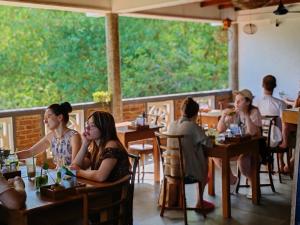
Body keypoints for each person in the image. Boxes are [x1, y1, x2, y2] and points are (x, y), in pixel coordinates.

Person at [164, 97, 214, 211]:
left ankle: (195, 201)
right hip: (187, 173)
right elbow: (209, 144)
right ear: (195, 114)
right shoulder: (192, 126)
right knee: (204, 165)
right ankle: (199, 202)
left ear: (182, 110)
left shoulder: (171, 124)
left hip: (171, 171)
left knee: (196, 154)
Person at [216, 89, 262, 198]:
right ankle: (233, 180)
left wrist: (245, 115)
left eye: (239, 101)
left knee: (243, 161)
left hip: (254, 148)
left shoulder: (254, 112)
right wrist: (223, 116)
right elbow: (220, 129)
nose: (236, 104)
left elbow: (252, 132)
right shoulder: (234, 113)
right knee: (216, 156)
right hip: (238, 146)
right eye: (236, 101)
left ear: (248, 102)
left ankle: (253, 183)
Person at [71, 111, 130, 182]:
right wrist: (85, 144)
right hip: (101, 188)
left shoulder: (112, 145)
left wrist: (78, 172)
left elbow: (100, 176)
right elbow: (75, 165)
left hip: (114, 191)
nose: (87, 128)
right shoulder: (96, 147)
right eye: (87, 124)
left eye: (92, 125)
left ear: (104, 128)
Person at [17, 102, 81, 166]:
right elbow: (30, 152)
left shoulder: (74, 136)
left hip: (72, 175)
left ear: (60, 117)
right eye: (44, 118)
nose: (45, 121)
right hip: (57, 174)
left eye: (48, 116)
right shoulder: (51, 136)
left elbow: (74, 167)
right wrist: (11, 157)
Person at [255, 75, 287, 171]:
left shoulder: (256, 102)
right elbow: (284, 123)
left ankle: (265, 161)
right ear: (275, 86)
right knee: (282, 129)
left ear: (262, 85)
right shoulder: (281, 103)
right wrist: (285, 141)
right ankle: (282, 162)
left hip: (259, 139)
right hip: (275, 139)